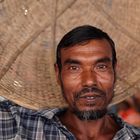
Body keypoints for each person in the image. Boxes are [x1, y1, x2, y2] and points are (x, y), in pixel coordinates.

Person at [0, 25, 140, 140]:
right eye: (74, 68)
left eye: (101, 67)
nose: (89, 81)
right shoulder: (18, 124)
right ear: (58, 73)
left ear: (115, 70)